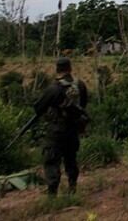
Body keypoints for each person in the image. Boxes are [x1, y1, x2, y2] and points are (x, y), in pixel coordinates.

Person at [34, 57, 88, 196]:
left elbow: (38, 108)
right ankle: (72, 187)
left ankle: (52, 194)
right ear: (70, 69)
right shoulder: (80, 85)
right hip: (73, 130)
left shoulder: (53, 89)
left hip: (56, 131)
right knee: (71, 159)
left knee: (52, 161)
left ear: (57, 70)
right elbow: (84, 104)